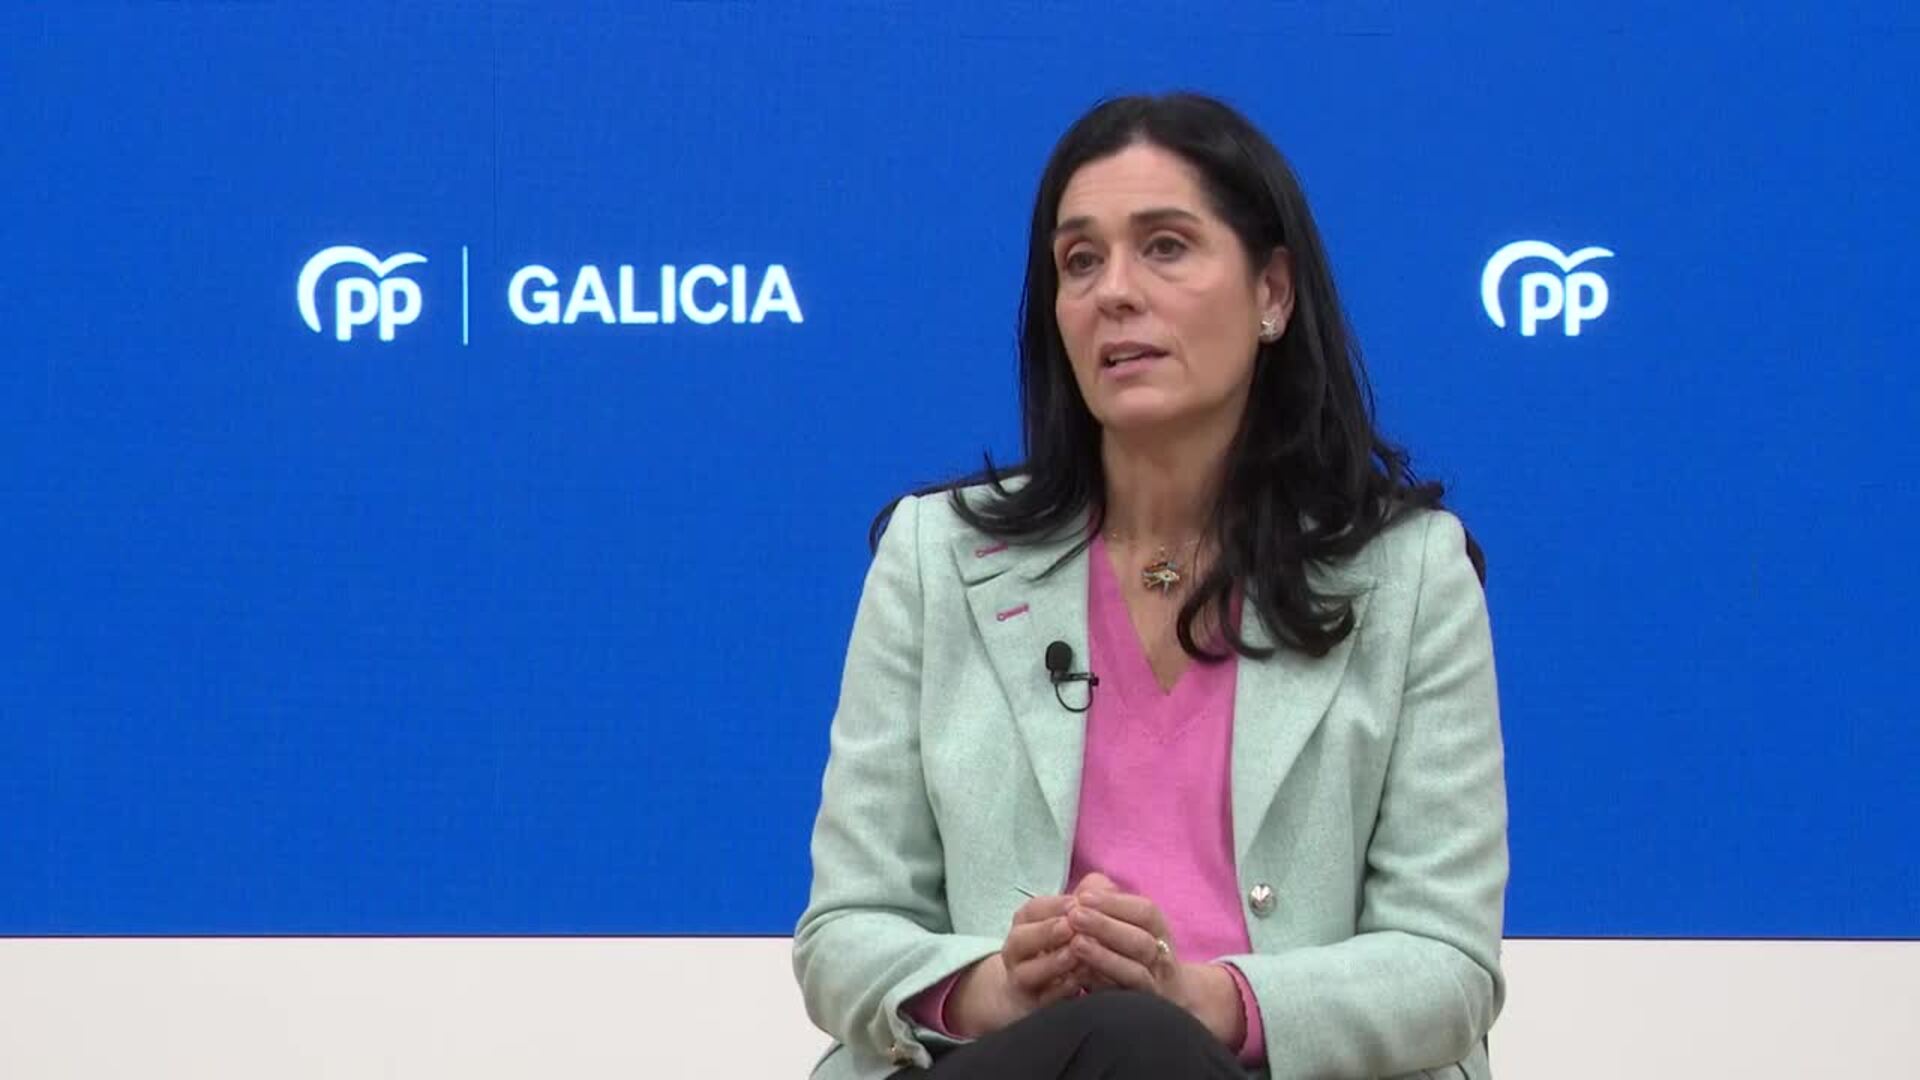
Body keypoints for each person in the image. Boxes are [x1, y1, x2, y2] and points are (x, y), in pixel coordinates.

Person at [793, 92, 1507, 1080]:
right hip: (1009, 1065)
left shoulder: (1411, 574)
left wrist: (1205, 1000)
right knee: (1119, 1040)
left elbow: (1445, 965)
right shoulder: (936, 555)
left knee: (1143, 1040)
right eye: (1080, 261)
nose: (1115, 292)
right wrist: (995, 987)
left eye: (1165, 247)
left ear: (1272, 292)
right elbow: (844, 934)